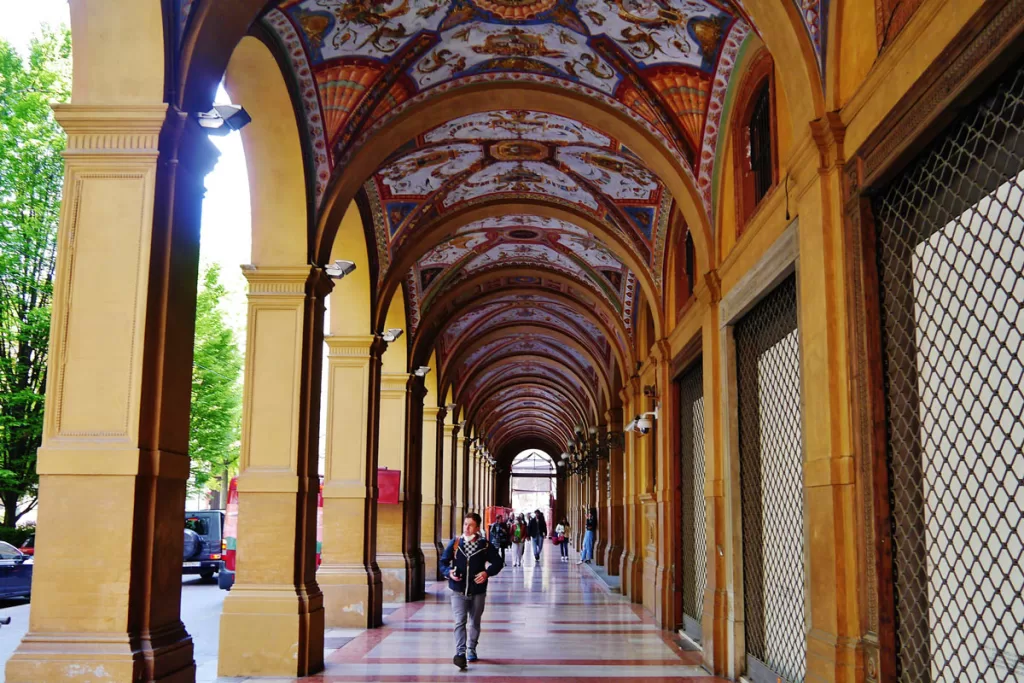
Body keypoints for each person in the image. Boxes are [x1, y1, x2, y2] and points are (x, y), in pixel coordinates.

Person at [440, 512, 504, 670]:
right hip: (458, 590)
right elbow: (443, 562)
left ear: (477, 528)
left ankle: (471, 648)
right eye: (465, 524)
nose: (466, 527)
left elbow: (498, 562)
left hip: (478, 591)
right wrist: (449, 572)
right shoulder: (455, 543)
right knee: (459, 621)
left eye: (470, 525)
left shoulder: (484, 545)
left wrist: (486, 573)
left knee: (475, 621)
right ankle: (460, 653)